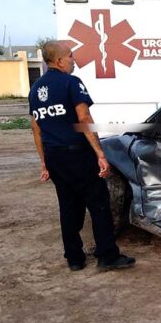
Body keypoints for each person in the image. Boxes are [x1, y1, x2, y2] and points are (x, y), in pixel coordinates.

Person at [29, 41, 136, 271]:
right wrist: (100, 153)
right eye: (70, 56)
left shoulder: (36, 89)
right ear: (58, 61)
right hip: (76, 154)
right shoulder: (71, 83)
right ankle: (107, 255)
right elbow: (84, 118)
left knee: (68, 206)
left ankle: (74, 258)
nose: (73, 60)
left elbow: (36, 128)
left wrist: (43, 162)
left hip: (55, 156)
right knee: (98, 204)